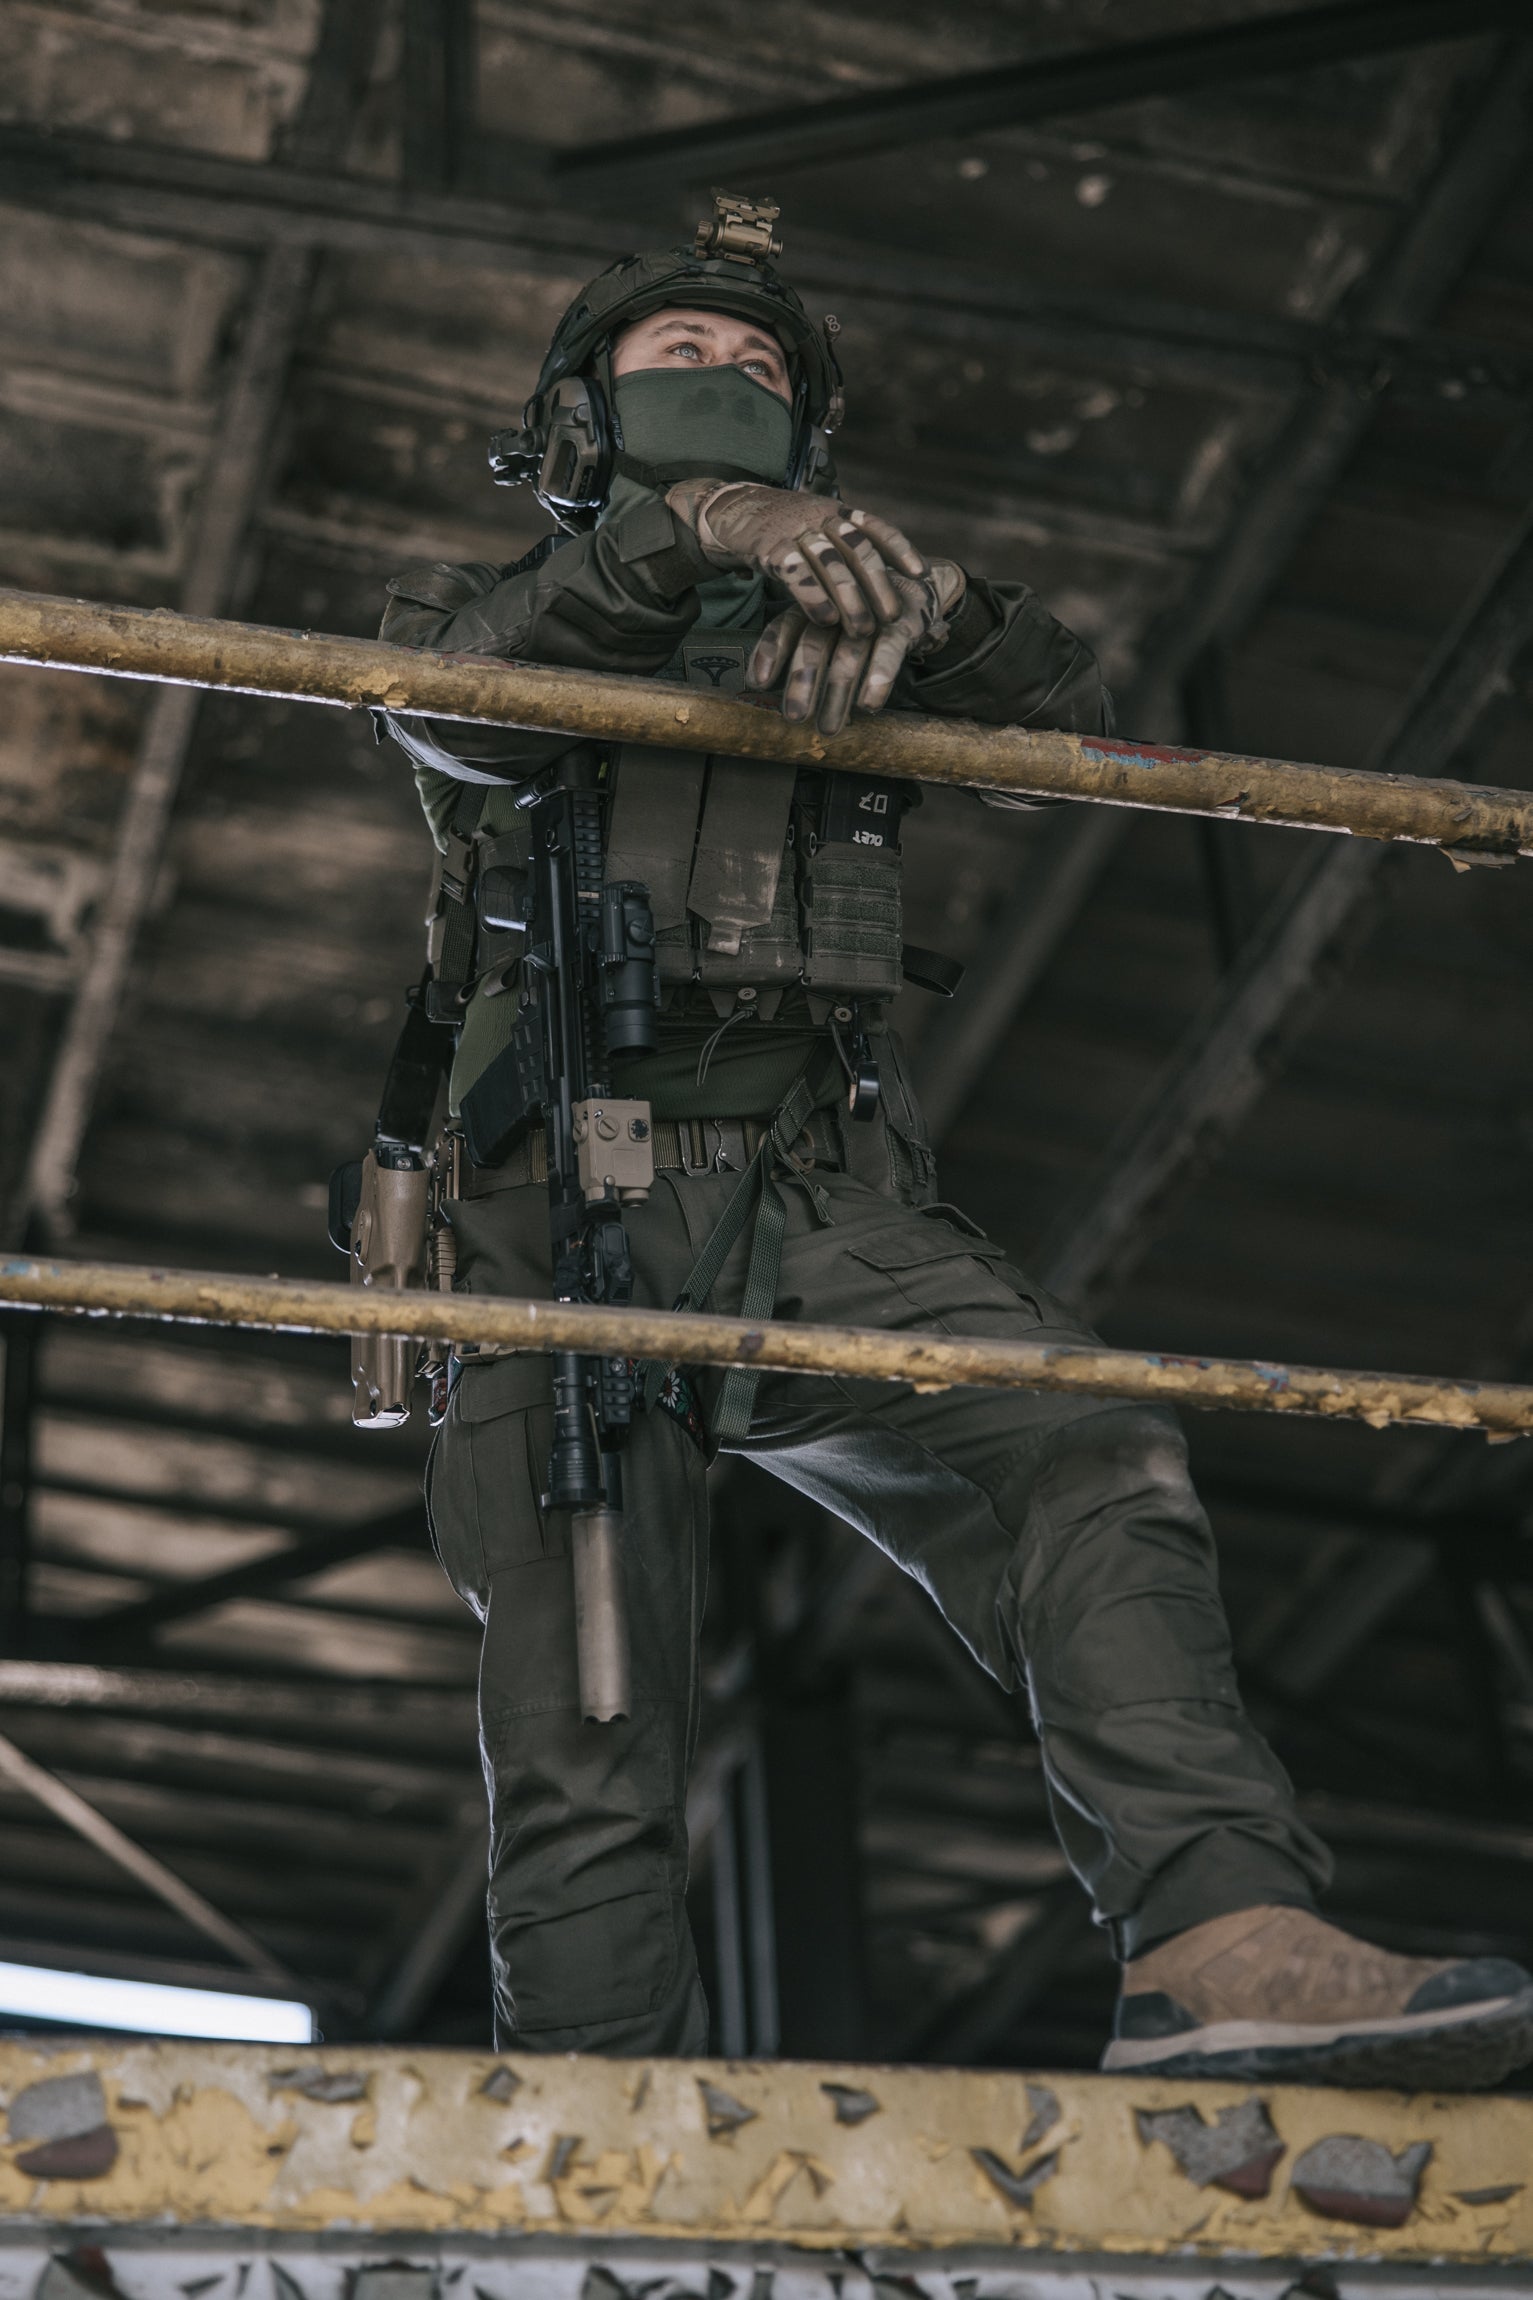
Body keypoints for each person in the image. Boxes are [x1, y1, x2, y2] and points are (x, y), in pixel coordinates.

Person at [378, 195, 1532, 2086]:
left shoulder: (852, 624)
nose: (729, 378)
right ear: (581, 417)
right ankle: (596, 2143)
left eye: (761, 370)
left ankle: (1216, 1941)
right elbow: (456, 718)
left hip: (815, 1200)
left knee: (1085, 1442)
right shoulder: (472, 608)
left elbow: (1067, 706)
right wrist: (698, 527)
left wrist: (927, 607)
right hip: (543, 1216)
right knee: (589, 1710)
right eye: (684, 358)